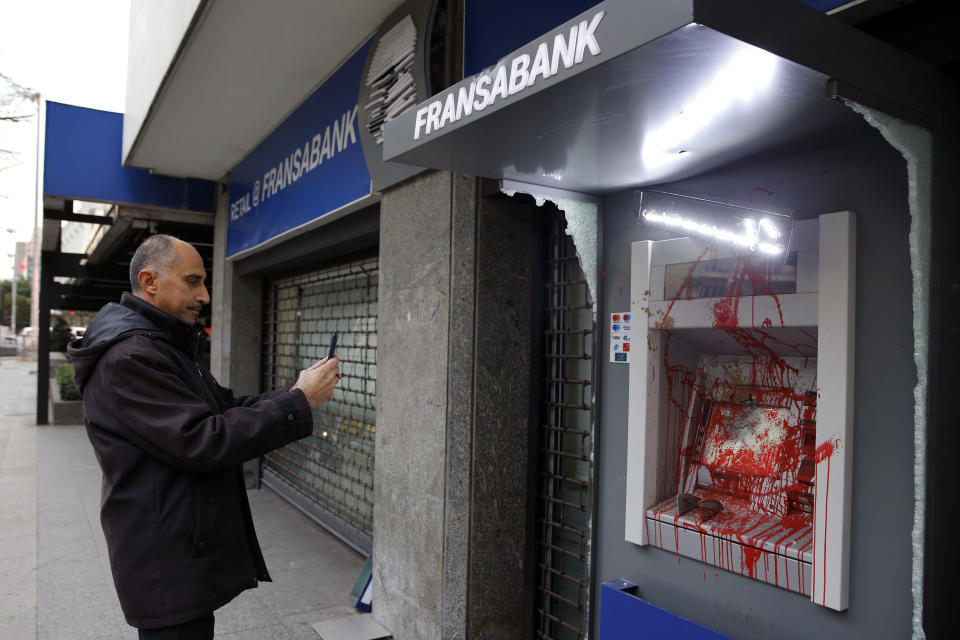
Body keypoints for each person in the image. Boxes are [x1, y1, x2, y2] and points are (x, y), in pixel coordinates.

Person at [68, 235, 340, 639]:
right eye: (193, 281)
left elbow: (222, 407)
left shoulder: (161, 345)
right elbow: (202, 439)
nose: (205, 295)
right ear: (150, 280)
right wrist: (297, 403)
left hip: (176, 546)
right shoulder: (131, 358)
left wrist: (295, 394)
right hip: (164, 558)